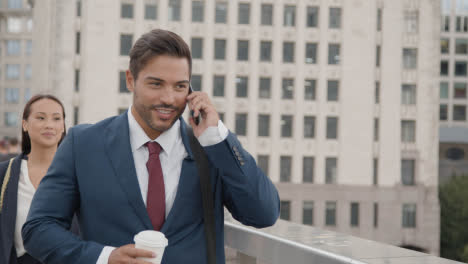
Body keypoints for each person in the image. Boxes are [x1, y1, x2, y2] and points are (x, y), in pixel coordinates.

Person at [22, 29, 280, 264]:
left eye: (180, 86)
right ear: (131, 80)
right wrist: (104, 258)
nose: (168, 98)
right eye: (156, 84)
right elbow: (38, 228)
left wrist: (218, 137)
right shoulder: (83, 144)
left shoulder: (210, 149)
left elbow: (263, 214)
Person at [0, 95, 67, 264]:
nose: (49, 125)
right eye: (41, 117)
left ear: (63, 126)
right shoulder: (5, 173)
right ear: (25, 124)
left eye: (57, 118)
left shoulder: (77, 173)